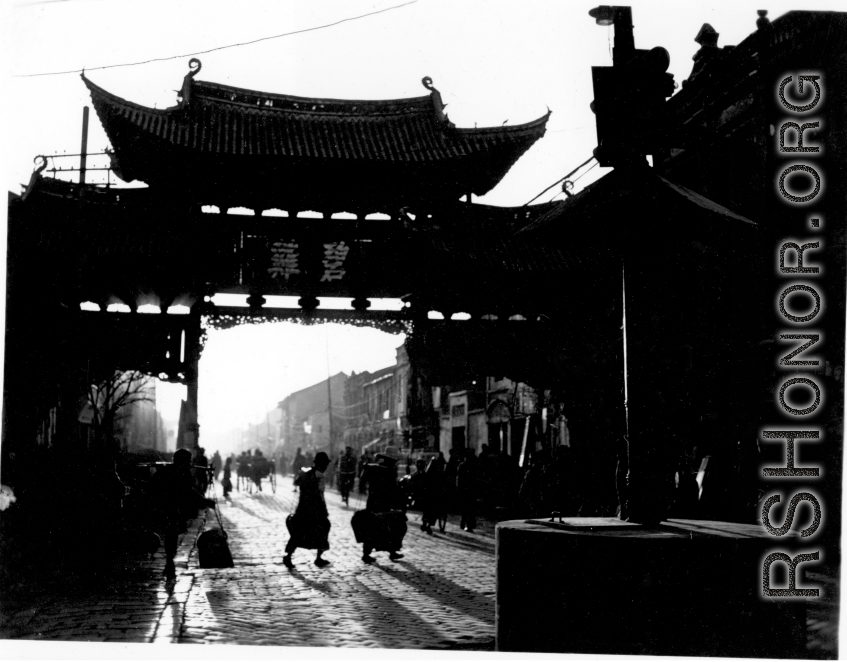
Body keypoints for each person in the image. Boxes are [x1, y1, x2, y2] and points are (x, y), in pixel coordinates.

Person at [150, 448, 215, 580]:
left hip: (167, 508)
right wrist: (204, 501)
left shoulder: (169, 470)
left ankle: (169, 563)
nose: (190, 463)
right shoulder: (182, 472)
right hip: (173, 508)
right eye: (188, 460)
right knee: (172, 536)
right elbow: (189, 490)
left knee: (171, 536)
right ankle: (169, 563)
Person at [354, 451, 407, 563]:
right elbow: (394, 490)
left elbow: (363, 478)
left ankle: (367, 554)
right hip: (384, 504)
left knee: (373, 527)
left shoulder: (374, 469)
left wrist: (363, 486)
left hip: (373, 503)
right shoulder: (389, 472)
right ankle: (391, 552)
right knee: (387, 527)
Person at [283, 452, 332, 568]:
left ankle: (288, 556)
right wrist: (324, 510)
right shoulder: (320, 476)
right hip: (316, 510)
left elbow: (296, 482)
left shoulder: (306, 473)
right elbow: (321, 495)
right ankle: (318, 558)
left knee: (298, 533)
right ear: (323, 464)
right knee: (324, 528)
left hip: (302, 509)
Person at [457, 448, 479, 533]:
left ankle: (465, 523)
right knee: (469, 508)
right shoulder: (465, 466)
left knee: (467, 508)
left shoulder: (464, 465)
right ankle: (467, 524)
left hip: (468, 490)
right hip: (468, 490)